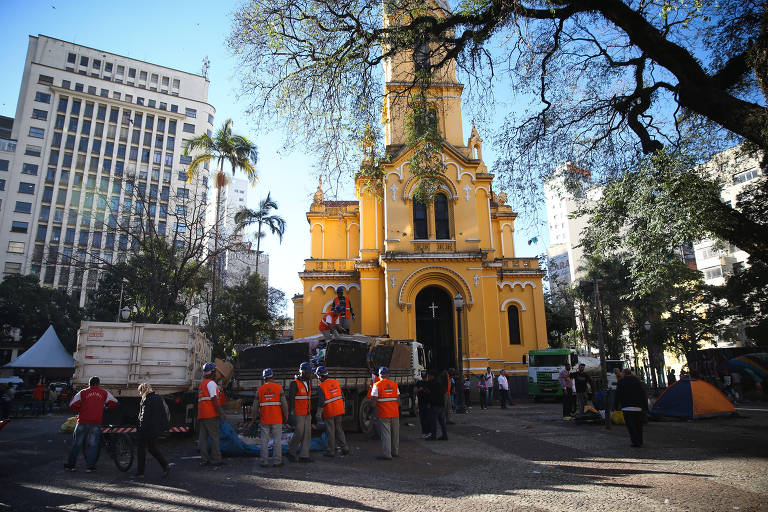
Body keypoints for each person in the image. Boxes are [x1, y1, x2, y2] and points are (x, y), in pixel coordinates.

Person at [66, 376, 118, 472]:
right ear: (98, 384)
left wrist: (79, 410)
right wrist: (105, 406)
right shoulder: (104, 393)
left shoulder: (82, 392)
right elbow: (114, 402)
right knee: (93, 445)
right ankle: (90, 467)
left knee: (76, 444)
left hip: (82, 421)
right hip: (96, 422)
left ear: (89, 384)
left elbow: (72, 404)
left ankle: (71, 466)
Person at [134, 382, 171, 479]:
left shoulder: (146, 399)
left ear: (142, 391)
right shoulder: (158, 397)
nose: (140, 394)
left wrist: (140, 428)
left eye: (140, 392)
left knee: (141, 449)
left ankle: (140, 472)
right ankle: (165, 465)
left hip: (147, 429)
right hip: (156, 428)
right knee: (152, 448)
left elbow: (144, 416)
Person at [253, 368, 288, 468]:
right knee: (277, 440)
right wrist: (286, 415)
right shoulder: (279, 388)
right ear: (273, 377)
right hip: (277, 419)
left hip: (265, 419)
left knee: (264, 441)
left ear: (264, 378)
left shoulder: (260, 390)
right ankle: (277, 461)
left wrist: (254, 418)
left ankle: (264, 461)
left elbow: (255, 406)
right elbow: (284, 404)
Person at [315, 366, 349, 457]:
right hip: (339, 410)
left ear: (320, 376)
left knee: (330, 431)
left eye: (317, 376)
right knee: (339, 429)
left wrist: (318, 414)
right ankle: (345, 448)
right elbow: (342, 396)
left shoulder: (321, 386)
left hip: (329, 411)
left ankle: (331, 451)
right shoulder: (335, 382)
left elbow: (321, 402)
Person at [197, 362, 224, 468]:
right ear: (212, 372)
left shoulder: (202, 384)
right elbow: (214, 399)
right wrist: (221, 413)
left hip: (202, 414)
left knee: (203, 438)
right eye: (215, 371)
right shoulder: (211, 383)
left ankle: (204, 459)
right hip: (211, 414)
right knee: (214, 437)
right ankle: (216, 459)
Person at [286, 362, 314, 463]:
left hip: (307, 413)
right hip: (298, 413)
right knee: (299, 432)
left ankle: (304, 456)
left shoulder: (308, 382)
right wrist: (291, 413)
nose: (310, 374)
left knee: (307, 434)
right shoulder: (294, 383)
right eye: (308, 372)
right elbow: (291, 399)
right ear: (302, 372)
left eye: (310, 372)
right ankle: (291, 452)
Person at [371, 366, 399, 460]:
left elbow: (374, 402)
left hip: (384, 413)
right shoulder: (394, 385)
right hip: (394, 413)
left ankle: (387, 454)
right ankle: (395, 452)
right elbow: (399, 401)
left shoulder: (377, 385)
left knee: (386, 433)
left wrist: (372, 406)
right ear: (388, 375)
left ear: (379, 375)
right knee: (395, 433)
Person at [616, 368, 648, 447]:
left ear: (624, 374)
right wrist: (645, 406)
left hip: (626, 406)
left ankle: (635, 441)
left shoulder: (621, 381)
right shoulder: (638, 381)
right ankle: (640, 441)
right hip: (638, 406)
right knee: (638, 425)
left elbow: (618, 394)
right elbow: (643, 394)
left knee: (631, 425)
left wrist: (616, 406)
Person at [425, 370, 447, 441]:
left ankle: (433, 436)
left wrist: (429, 403)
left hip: (435, 405)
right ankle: (445, 435)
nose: (428, 377)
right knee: (442, 421)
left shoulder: (432, 383)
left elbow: (432, 395)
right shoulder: (440, 383)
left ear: (432, 376)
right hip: (441, 404)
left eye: (429, 376)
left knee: (433, 421)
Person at [414, 370, 431, 437]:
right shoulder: (419, 382)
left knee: (427, 418)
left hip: (427, 403)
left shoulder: (429, 383)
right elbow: (415, 391)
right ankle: (425, 432)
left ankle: (428, 432)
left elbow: (430, 392)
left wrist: (423, 390)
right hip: (422, 403)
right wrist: (420, 389)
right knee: (423, 418)